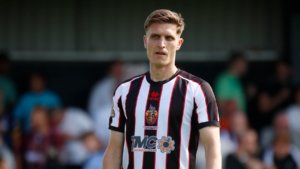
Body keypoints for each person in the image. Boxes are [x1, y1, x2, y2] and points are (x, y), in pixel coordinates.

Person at [103, 9, 221, 169]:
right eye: (155, 36)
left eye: (169, 38)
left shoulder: (198, 89)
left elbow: (212, 149)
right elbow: (113, 150)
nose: (161, 44)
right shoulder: (125, 91)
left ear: (179, 43)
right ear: (145, 41)